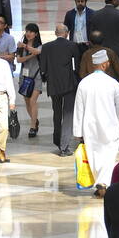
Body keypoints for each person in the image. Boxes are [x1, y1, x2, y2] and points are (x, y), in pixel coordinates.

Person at [73, 50, 119, 193]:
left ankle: (100, 182)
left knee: (94, 155)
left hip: (90, 127)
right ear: (104, 65)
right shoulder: (113, 83)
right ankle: (103, 183)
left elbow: (78, 109)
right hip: (109, 125)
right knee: (109, 155)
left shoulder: (84, 83)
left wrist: (78, 131)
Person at [39, 24, 77, 155]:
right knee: (68, 115)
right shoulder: (72, 46)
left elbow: (42, 68)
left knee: (57, 114)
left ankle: (57, 140)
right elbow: (76, 66)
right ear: (66, 33)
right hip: (69, 85)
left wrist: (47, 80)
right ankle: (64, 146)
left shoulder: (46, 47)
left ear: (55, 33)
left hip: (54, 86)